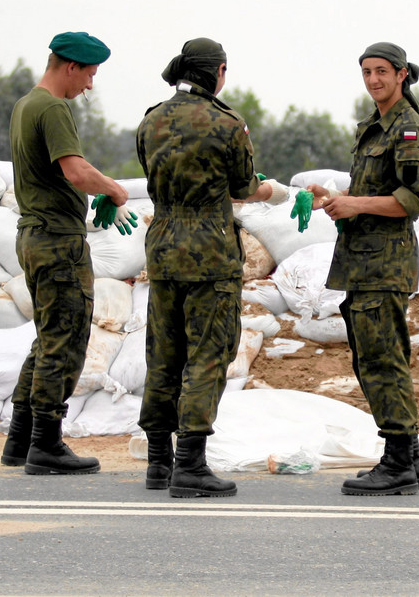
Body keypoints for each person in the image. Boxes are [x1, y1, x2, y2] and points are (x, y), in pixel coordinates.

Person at [135, 37, 285, 498]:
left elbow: (151, 175)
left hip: (162, 250)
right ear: (219, 71)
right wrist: (272, 191)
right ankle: (192, 464)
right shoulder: (227, 123)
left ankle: (159, 461)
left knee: (163, 353)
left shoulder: (151, 120)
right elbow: (242, 186)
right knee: (207, 355)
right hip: (210, 254)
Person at [2, 32, 137, 475]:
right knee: (66, 339)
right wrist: (115, 190)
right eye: (90, 75)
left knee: (47, 338)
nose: (89, 86)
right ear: (70, 67)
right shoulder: (53, 107)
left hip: (34, 234)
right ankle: (46, 444)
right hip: (58, 239)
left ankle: (20, 440)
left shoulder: (26, 104)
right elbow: (75, 169)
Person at [307, 42, 419, 496]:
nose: (373, 80)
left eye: (382, 71)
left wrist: (354, 203)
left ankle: (398, 461)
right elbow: (371, 192)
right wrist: (336, 199)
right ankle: (410, 459)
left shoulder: (406, 128)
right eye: (366, 72)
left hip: (385, 261)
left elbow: (415, 199)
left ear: (401, 75)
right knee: (373, 358)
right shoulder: (375, 127)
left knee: (382, 360)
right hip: (363, 260)